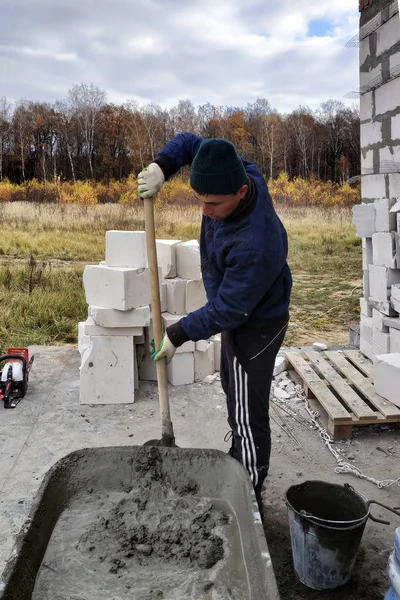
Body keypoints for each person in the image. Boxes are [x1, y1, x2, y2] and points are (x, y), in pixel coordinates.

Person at [137, 133, 292, 513]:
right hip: (245, 309)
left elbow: (228, 310)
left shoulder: (256, 242)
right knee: (233, 386)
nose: (204, 211)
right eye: (200, 200)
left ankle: (248, 493)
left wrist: (177, 333)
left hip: (254, 323)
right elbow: (195, 145)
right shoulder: (240, 171)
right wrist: (163, 166)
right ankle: (240, 458)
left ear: (241, 192)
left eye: (212, 203)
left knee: (246, 408)